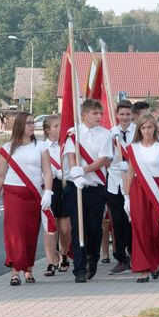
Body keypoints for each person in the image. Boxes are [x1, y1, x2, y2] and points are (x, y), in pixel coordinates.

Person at [0, 111, 54, 286]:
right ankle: (15, 272)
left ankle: (29, 269)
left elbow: (47, 171)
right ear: (20, 125)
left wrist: (48, 191)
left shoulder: (40, 146)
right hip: (13, 195)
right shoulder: (8, 147)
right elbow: (0, 175)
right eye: (29, 123)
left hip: (34, 195)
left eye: (33, 122)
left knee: (31, 233)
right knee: (15, 233)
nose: (32, 125)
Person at [62, 98, 114, 283]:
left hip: (95, 187)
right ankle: (79, 268)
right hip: (76, 188)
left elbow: (103, 160)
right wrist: (75, 174)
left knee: (94, 228)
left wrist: (83, 170)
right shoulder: (73, 134)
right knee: (78, 228)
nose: (99, 116)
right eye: (95, 113)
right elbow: (71, 155)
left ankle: (93, 258)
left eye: (100, 113)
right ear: (84, 115)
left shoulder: (105, 134)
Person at [123, 114, 159, 282]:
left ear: (155, 128)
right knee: (140, 229)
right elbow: (130, 173)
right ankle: (144, 269)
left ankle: (155, 263)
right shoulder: (133, 148)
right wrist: (127, 196)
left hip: (157, 189)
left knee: (154, 230)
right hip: (138, 190)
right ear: (139, 130)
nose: (147, 131)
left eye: (150, 127)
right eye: (143, 128)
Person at [106, 100, 136, 275]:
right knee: (117, 222)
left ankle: (135, 254)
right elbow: (106, 156)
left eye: (128, 114)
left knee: (134, 221)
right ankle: (121, 258)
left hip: (133, 180)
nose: (125, 118)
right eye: (122, 114)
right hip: (115, 181)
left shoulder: (138, 132)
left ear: (132, 115)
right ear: (117, 115)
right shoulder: (110, 133)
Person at [42, 115, 66, 277]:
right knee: (50, 226)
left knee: (65, 227)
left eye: (60, 125)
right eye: (56, 126)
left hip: (65, 184)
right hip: (49, 187)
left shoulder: (67, 145)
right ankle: (51, 261)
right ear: (47, 130)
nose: (59, 128)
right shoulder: (41, 147)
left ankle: (64, 254)